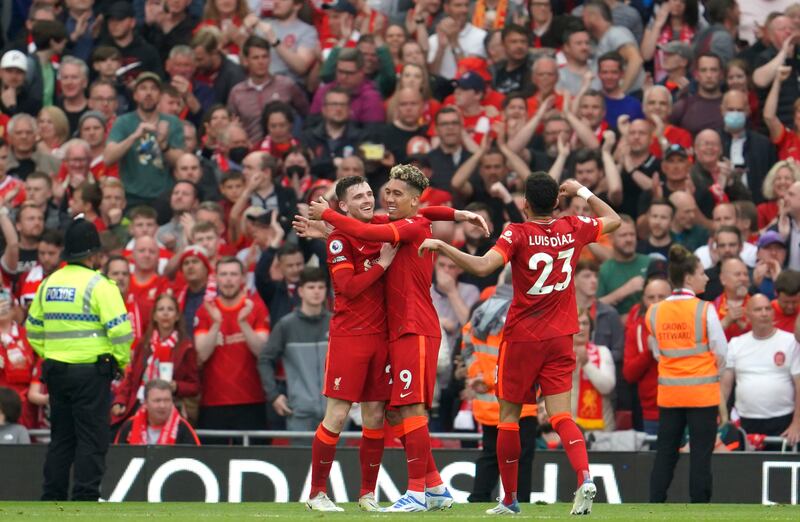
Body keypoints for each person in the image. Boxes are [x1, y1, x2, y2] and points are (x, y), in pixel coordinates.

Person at [418, 173, 621, 515]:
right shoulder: (572, 226)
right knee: (561, 415)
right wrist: (582, 191)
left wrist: (442, 246)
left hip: (523, 337)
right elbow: (614, 220)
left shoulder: (517, 232)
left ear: (525, 204)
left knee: (508, 417)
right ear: (556, 202)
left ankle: (510, 500)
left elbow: (483, 267)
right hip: (561, 336)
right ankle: (584, 475)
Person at [308, 165, 485, 512]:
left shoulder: (402, 226)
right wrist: (459, 212)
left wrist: (327, 215)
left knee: (406, 409)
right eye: (380, 193)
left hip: (412, 328)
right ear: (346, 205)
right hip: (375, 334)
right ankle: (430, 487)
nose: (381, 198)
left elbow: (379, 229)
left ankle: (412, 493)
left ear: (413, 200)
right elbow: (355, 257)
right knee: (385, 415)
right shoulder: (364, 230)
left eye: (389, 194)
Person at [26, 218, 133, 500]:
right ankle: (85, 497)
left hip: (56, 372)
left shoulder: (48, 284)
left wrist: (51, 354)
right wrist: (120, 362)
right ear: (93, 254)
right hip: (91, 373)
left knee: (61, 438)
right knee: (92, 437)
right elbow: (122, 332)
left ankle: (52, 497)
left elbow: (33, 330)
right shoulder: (100, 285)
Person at [646, 244, 727, 503]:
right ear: (689, 277)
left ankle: (655, 503)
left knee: (665, 453)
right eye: (702, 273)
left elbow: (657, 351)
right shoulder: (705, 309)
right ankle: (700, 507)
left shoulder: (655, 311)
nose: (706, 277)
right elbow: (722, 352)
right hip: (702, 394)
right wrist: (711, 372)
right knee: (701, 455)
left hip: (669, 393)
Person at [462, 268, 538, 504]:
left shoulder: (481, 310)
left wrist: (478, 375)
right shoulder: (523, 312)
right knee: (522, 456)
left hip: (488, 399)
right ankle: (519, 499)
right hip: (517, 400)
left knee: (490, 455)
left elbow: (466, 345)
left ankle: (478, 498)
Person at [194, 257, 269, 439]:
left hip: (252, 400)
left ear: (243, 278)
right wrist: (216, 323)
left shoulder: (256, 307)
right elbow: (201, 355)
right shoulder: (205, 310)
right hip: (213, 402)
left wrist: (243, 323)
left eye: (234, 274)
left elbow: (261, 351)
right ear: (216, 278)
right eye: (224, 274)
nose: (228, 279)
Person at [111, 294, 199, 429]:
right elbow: (131, 378)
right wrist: (120, 401)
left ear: (177, 316)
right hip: (140, 403)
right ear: (154, 316)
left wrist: (176, 386)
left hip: (169, 407)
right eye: (161, 309)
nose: (165, 313)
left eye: (170, 309)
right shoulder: (144, 344)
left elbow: (195, 386)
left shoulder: (185, 347)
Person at [722, 294, 800, 447]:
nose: (764, 313)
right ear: (748, 314)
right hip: (745, 422)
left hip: (783, 421)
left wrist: (797, 423)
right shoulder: (735, 344)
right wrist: (722, 420)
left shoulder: (791, 342)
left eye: (768, 309)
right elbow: (724, 387)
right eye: (758, 309)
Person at [258, 267, 330, 433]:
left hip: (334, 413)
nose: (316, 292)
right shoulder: (286, 325)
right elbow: (265, 359)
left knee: (335, 459)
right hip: (300, 414)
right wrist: (274, 395)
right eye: (311, 287)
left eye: (321, 287)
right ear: (301, 291)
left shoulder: (336, 324)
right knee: (301, 459)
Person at [624, 276, 672, 435]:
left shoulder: (685, 324)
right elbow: (629, 374)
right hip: (651, 413)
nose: (656, 302)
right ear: (643, 301)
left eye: (662, 297)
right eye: (651, 297)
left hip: (683, 407)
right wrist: (648, 352)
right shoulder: (636, 329)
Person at [115, 379, 200, 446]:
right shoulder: (129, 426)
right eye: (157, 401)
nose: (162, 405)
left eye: (167, 400)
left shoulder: (183, 428)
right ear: (145, 403)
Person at [571, 309, 616, 432]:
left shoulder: (602, 352)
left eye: (585, 323)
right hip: (567, 429)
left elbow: (607, 387)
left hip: (600, 430)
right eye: (576, 323)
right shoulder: (557, 355)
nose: (581, 327)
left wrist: (587, 364)